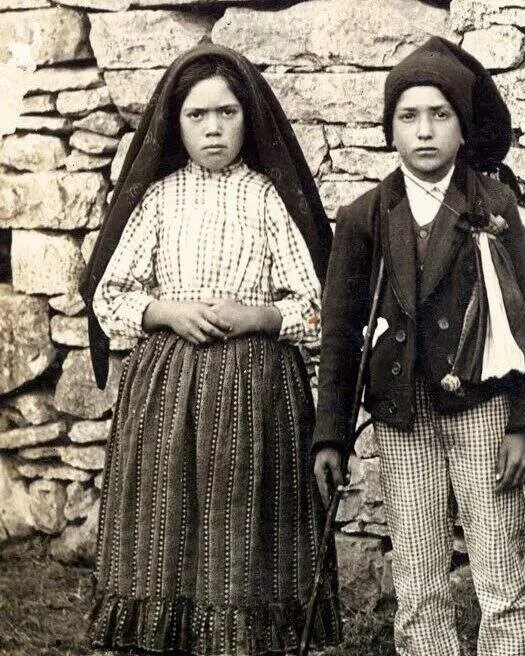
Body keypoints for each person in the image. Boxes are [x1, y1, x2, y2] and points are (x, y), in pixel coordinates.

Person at [79, 43, 340, 655]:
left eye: (227, 112)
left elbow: (316, 304)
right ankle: (166, 634)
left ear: (249, 117)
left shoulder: (268, 198)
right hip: (166, 386)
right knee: (165, 512)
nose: (214, 128)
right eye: (197, 115)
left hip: (256, 386)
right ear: (176, 123)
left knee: (243, 511)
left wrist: (259, 317)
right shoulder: (159, 199)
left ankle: (245, 637)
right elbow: (110, 294)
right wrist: (166, 311)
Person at [312, 36, 525, 656]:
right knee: (418, 574)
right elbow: (340, 333)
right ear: (389, 128)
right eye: (408, 116)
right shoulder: (366, 215)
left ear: (463, 127)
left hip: (482, 408)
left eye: (440, 115)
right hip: (402, 415)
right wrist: (332, 434)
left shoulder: (492, 204)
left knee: (499, 565)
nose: (424, 131)